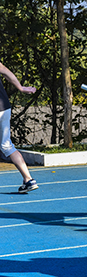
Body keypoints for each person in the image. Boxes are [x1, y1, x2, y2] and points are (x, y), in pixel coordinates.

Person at [0, 62, 38, 193]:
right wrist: (20, 88)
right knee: (7, 146)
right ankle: (28, 179)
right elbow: (5, 71)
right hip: (4, 107)